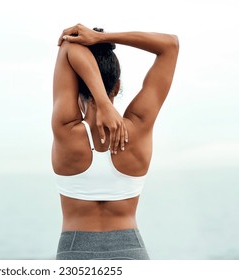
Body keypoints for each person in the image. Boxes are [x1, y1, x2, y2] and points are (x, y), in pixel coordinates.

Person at [52, 24, 179, 260]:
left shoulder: (65, 130)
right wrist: (103, 38)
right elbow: (170, 45)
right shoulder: (139, 126)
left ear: (74, 87)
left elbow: (69, 43)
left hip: (74, 252)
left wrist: (100, 101)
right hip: (131, 251)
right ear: (117, 86)